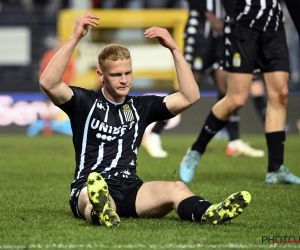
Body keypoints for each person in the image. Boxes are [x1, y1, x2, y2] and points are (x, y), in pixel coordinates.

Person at [39, 13, 251, 227]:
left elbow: (190, 96)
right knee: (90, 196)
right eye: (116, 75)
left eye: (128, 73)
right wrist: (75, 38)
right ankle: (102, 210)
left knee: (176, 188)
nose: (124, 80)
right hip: (88, 184)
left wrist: (175, 49)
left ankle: (210, 212)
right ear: (101, 76)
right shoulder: (84, 102)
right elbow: (48, 82)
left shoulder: (141, 106)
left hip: (131, 187)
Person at [179, 0, 300, 185]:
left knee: (281, 94)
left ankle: (275, 169)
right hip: (243, 25)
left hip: (273, 26)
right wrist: (233, 17)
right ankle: (196, 150)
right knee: (236, 99)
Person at [142, 0, 265, 158]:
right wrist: (209, 15)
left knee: (225, 87)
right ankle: (154, 134)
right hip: (200, 32)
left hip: (220, 34)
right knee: (188, 86)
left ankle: (234, 141)